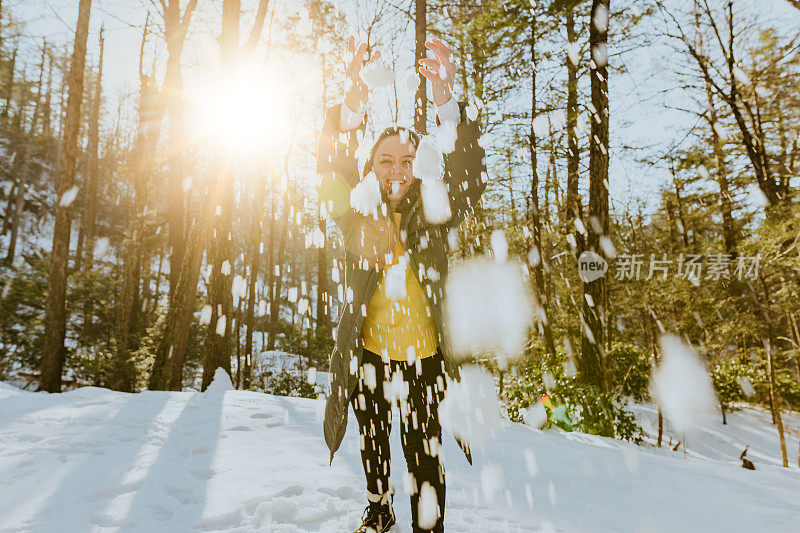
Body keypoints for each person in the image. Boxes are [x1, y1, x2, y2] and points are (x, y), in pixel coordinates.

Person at [315, 35, 487, 533]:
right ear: (370, 168)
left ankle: (426, 523)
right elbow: (328, 168)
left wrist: (446, 102)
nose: (397, 171)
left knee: (423, 452)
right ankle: (379, 506)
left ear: (421, 166)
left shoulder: (435, 213)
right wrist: (351, 100)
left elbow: (469, 176)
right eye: (385, 161)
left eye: (407, 161)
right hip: (368, 355)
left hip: (424, 359)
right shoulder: (355, 216)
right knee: (373, 442)